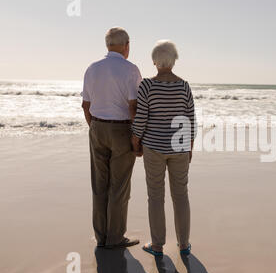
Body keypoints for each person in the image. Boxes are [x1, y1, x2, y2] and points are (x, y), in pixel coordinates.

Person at [131, 40, 197, 256]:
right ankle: (184, 244)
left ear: (154, 61)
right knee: (181, 195)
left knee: (156, 196)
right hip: (179, 148)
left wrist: (135, 142)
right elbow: (190, 120)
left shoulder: (147, 86)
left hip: (154, 147)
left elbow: (141, 118)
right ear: (174, 61)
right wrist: (189, 148)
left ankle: (158, 245)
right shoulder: (184, 85)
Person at [81, 27, 141, 249]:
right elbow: (134, 107)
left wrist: (95, 127)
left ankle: (101, 237)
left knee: (99, 185)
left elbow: (85, 105)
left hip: (97, 127)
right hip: (122, 129)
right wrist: (137, 137)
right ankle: (115, 237)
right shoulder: (131, 69)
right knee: (119, 186)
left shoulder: (92, 68)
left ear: (107, 45)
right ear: (127, 45)